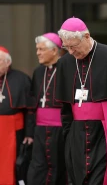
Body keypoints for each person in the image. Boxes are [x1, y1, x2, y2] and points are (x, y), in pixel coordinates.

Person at [55, 17, 107, 185]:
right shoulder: (65, 62)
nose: (71, 52)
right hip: (77, 135)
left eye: (74, 46)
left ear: (87, 36)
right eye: (67, 47)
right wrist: (69, 140)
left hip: (105, 133)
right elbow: (65, 110)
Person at [27, 33, 66, 184]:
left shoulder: (66, 68)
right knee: (38, 166)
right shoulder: (38, 72)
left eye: (41, 49)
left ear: (55, 50)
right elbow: (32, 103)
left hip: (60, 128)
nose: (38, 53)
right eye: (37, 49)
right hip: (40, 129)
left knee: (58, 166)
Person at [0, 46, 33, 185]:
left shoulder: (22, 79)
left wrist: (29, 133)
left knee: (12, 165)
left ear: (7, 62)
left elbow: (30, 110)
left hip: (13, 130)